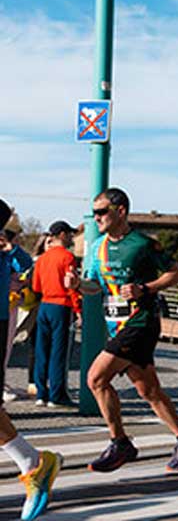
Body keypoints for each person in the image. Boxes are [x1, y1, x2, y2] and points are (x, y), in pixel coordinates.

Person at [66, 187, 178, 472]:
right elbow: (95, 288)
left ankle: (120, 443)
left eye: (102, 211)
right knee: (148, 390)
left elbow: (176, 273)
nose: (97, 217)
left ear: (120, 211)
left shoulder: (142, 244)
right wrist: (78, 285)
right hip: (116, 324)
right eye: (94, 213)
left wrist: (145, 288)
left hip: (141, 322)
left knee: (96, 378)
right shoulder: (98, 247)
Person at [0, 198, 62, 520]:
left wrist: (10, 248)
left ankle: (34, 463)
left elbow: (28, 265)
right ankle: (33, 462)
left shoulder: (7, 254)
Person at [31, 220, 78, 408]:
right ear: (62, 235)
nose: (71, 237)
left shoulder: (42, 258)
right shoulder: (68, 257)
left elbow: (36, 286)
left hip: (44, 304)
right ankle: (56, 395)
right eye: (69, 234)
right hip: (61, 305)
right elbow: (71, 286)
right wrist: (78, 309)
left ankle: (41, 393)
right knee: (58, 352)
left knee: (41, 350)